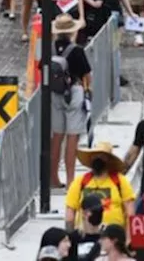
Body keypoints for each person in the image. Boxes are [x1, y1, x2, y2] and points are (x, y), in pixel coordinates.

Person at [48, 13, 91, 188]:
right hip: (74, 91)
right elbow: (87, 75)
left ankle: (53, 178)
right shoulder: (77, 50)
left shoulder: (48, 48)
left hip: (55, 93)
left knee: (56, 137)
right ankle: (71, 179)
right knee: (72, 137)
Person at [66, 142, 136, 231]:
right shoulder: (80, 181)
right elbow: (70, 210)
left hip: (114, 236)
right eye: (95, 155)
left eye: (102, 156)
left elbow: (130, 212)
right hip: (85, 233)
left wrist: (128, 239)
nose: (98, 158)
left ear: (109, 160)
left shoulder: (120, 181)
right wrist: (70, 236)